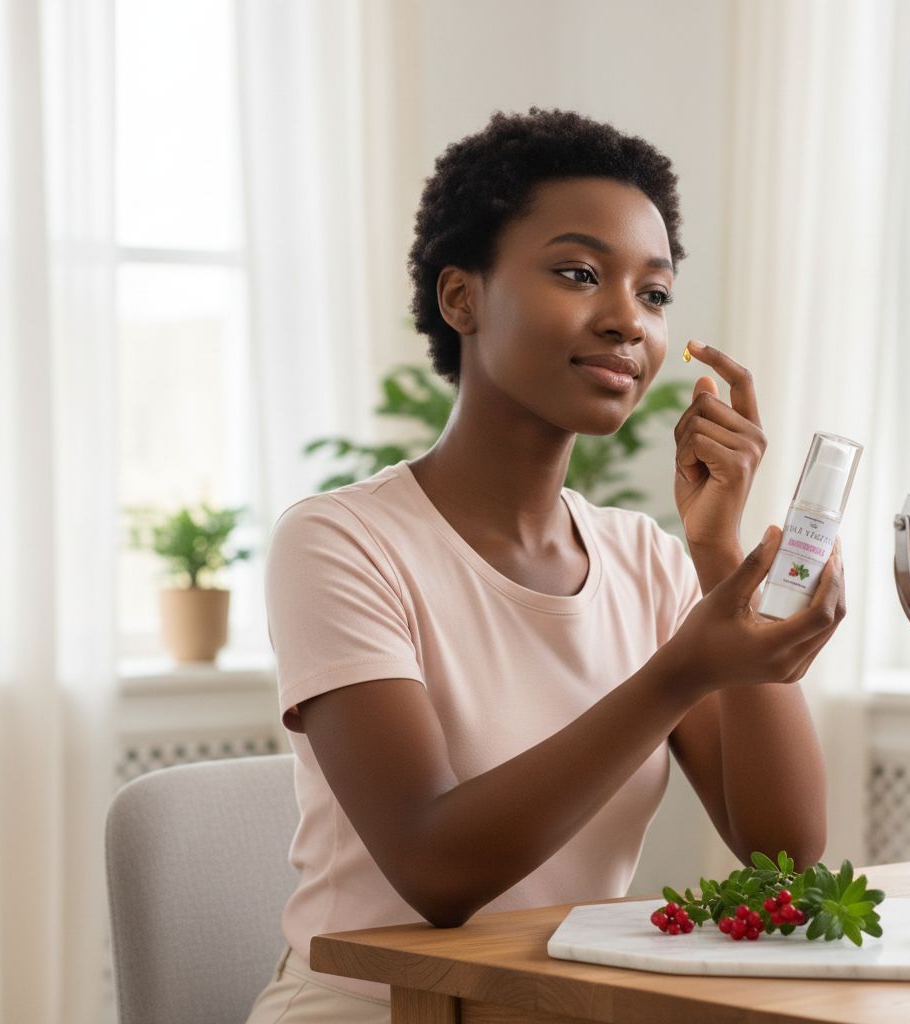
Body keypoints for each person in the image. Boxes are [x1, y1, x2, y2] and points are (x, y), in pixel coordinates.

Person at [245, 107, 842, 1023]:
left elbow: (787, 860)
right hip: (374, 1008)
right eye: (578, 274)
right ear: (461, 298)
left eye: (653, 294)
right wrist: (682, 668)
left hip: (561, 1009)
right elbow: (437, 871)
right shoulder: (341, 542)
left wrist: (721, 558)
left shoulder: (646, 560)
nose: (626, 324)